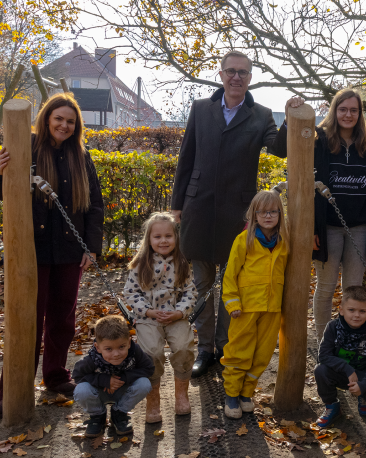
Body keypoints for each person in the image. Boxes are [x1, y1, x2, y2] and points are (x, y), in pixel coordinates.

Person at [0, 93, 104, 421]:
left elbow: (94, 205)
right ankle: (10, 392)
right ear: (47, 118)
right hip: (31, 251)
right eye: (59, 118)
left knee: (62, 317)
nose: (64, 125)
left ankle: (55, 375)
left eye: (70, 121)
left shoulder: (81, 157)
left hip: (68, 251)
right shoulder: (28, 146)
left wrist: (91, 247)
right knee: (26, 319)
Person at [171, 51, 287, 378]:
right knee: (199, 285)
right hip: (198, 210)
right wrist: (177, 204)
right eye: (231, 71)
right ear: (221, 74)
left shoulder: (261, 115)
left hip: (238, 215)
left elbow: (280, 148)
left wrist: (290, 120)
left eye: (243, 73)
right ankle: (205, 348)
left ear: (251, 77)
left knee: (231, 286)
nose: (237, 77)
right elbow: (186, 157)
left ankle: (225, 347)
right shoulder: (199, 109)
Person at [283, 89, 366, 340]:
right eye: (343, 109)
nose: (348, 115)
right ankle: (323, 344)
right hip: (326, 228)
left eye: (353, 110)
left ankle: (348, 342)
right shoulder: (319, 142)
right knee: (326, 288)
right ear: (334, 111)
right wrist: (311, 231)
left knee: (353, 290)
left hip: (361, 228)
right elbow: (299, 175)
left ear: (360, 114)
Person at [220, 190, 289, 419]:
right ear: (254, 214)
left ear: (280, 214)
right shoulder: (244, 240)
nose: (267, 216)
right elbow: (230, 275)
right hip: (245, 308)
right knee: (239, 351)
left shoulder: (284, 242)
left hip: (272, 308)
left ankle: (246, 394)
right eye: (262, 212)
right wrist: (232, 303)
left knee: (263, 353)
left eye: (272, 211)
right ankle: (231, 394)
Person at [123, 212, 197, 423]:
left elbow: (191, 292)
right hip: (148, 317)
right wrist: (148, 311)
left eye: (168, 236)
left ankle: (181, 394)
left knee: (184, 347)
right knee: (151, 352)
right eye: (158, 237)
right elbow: (130, 292)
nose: (163, 240)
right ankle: (153, 400)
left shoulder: (182, 263)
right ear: (149, 239)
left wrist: (180, 312)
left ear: (176, 238)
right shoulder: (140, 264)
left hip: (176, 315)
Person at [314, 286, 366, 428]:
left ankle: (363, 396)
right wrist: (347, 369)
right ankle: (332, 406)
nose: (357, 315)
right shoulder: (332, 327)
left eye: (362, 311)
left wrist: (363, 386)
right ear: (341, 310)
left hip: (363, 375)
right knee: (320, 370)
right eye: (351, 310)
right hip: (341, 374)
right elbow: (323, 356)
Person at [73, 315, 154, 437]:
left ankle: (119, 413)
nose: (116, 354)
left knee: (144, 383)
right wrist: (103, 380)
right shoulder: (91, 359)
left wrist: (124, 378)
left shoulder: (135, 351)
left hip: (123, 390)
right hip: (99, 393)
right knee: (81, 390)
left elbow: (149, 368)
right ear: (98, 347)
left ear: (129, 342)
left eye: (121, 347)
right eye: (109, 349)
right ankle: (97, 416)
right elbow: (77, 376)